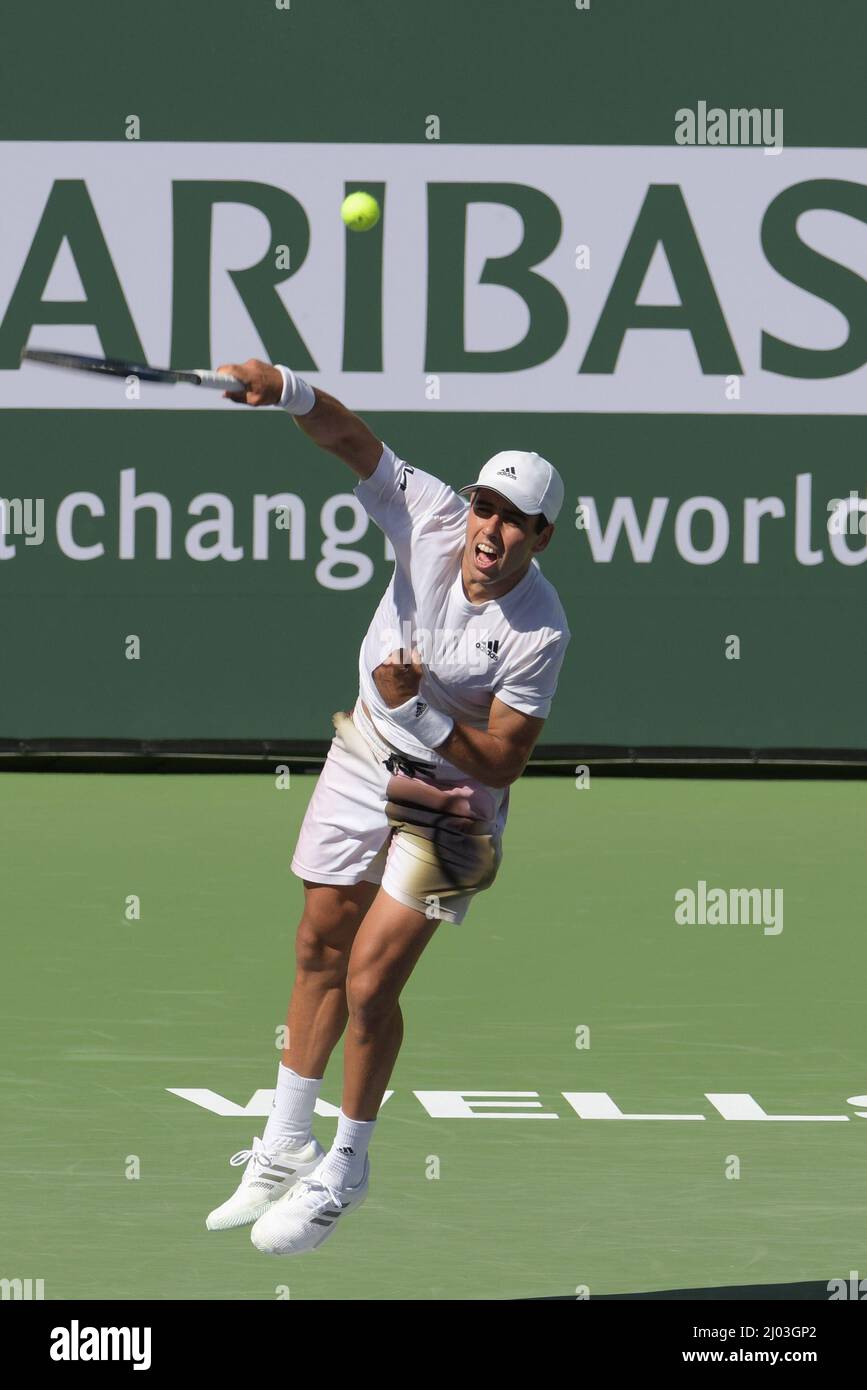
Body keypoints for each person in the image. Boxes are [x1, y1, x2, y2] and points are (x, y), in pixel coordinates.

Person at [205, 360, 570, 1254]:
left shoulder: (539, 629)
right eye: (485, 506)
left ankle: (347, 1166)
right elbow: (350, 439)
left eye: (512, 519)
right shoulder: (433, 515)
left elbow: (505, 762)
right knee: (317, 941)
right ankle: (285, 1140)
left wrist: (420, 711)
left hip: (456, 804)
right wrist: (284, 387)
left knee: (371, 983)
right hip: (366, 754)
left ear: (539, 537)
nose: (489, 529)